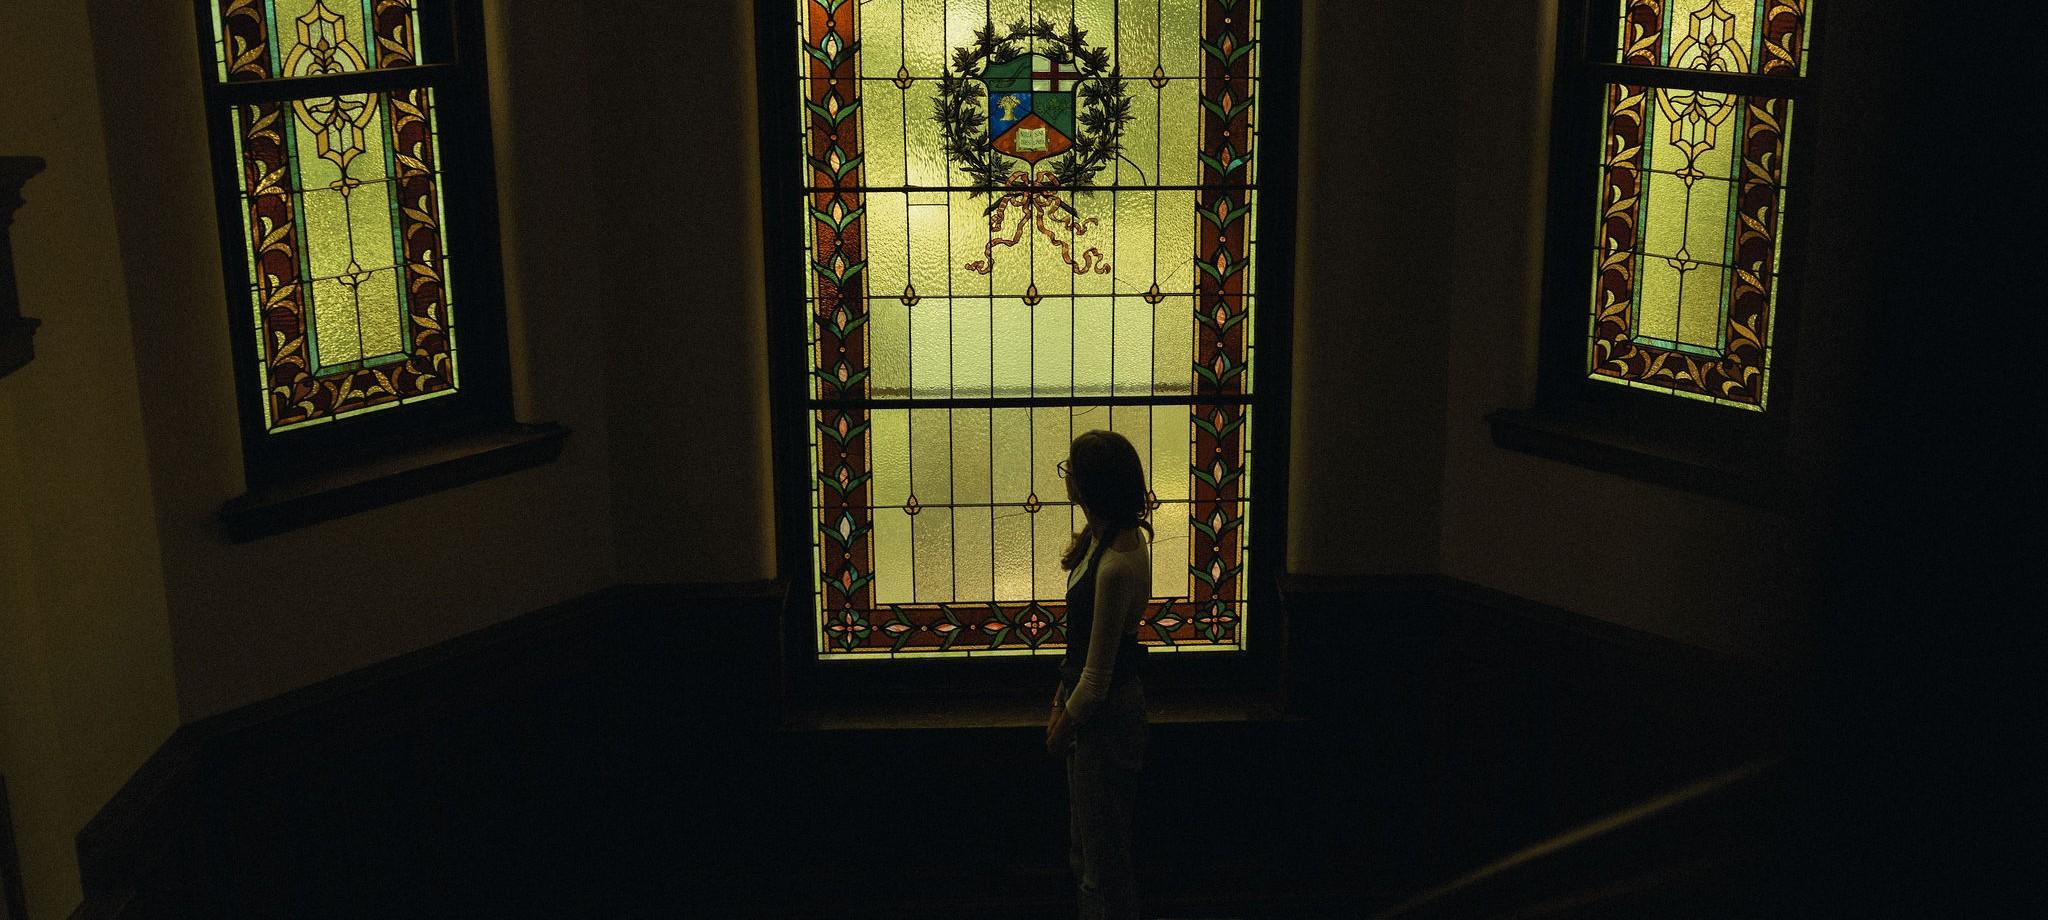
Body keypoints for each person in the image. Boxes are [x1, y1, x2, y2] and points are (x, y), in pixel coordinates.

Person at [1044, 429, 1152, 920]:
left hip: (1103, 722)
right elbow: (1084, 653)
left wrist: (1060, 726)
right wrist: (1059, 699)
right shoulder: (1106, 539)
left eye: (1070, 470)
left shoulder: (1115, 565)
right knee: (1090, 848)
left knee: (1100, 866)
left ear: (1089, 486)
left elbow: (1096, 679)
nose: (1066, 477)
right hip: (1094, 713)